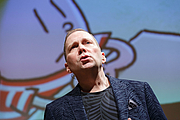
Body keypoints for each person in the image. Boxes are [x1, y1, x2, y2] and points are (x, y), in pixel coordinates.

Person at [44, 28, 167, 120]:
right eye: (73, 47)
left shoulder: (141, 91)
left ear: (103, 57)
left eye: (87, 42)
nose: (81, 48)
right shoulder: (56, 111)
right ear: (68, 67)